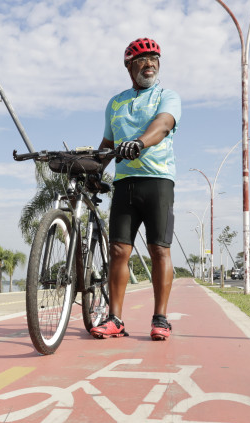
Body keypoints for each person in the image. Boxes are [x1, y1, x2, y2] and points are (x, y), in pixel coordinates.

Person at [90, 37, 181, 341]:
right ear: (129, 65)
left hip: (157, 180)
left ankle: (160, 319)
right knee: (118, 251)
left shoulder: (167, 96)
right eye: (142, 59)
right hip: (125, 184)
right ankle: (115, 318)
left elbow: (163, 124)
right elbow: (107, 144)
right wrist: (91, 169)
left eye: (155, 58)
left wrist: (140, 142)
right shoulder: (115, 102)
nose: (150, 64)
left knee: (159, 249)